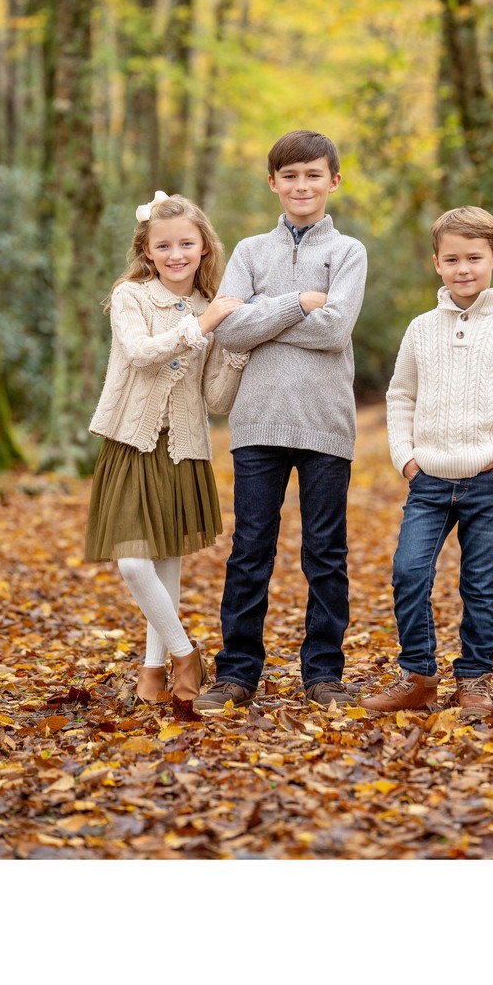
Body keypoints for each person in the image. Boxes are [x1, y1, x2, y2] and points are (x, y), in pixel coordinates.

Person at [193, 130, 368, 713]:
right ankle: (237, 672)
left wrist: (264, 312)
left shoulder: (348, 253)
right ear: (273, 182)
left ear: (333, 181)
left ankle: (323, 674)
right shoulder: (247, 251)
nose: (302, 185)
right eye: (290, 176)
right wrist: (301, 302)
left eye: (313, 175)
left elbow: (336, 330)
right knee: (250, 550)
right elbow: (229, 327)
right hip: (257, 424)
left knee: (325, 551)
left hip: (325, 424)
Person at [361, 205, 493, 717]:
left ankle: (474, 679)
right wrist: (405, 457)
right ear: (437, 264)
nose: (463, 268)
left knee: (480, 585)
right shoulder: (422, 328)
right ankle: (420, 677)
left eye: (474, 257)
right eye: (452, 259)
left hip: (490, 481)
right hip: (428, 480)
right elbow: (400, 395)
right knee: (408, 571)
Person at [84, 191, 248, 720]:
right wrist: (200, 328)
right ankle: (186, 654)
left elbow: (217, 400)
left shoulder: (214, 307)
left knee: (166, 561)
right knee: (134, 561)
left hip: (184, 448)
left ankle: (155, 670)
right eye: (164, 245)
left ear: (203, 247)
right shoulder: (132, 297)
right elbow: (140, 354)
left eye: (186, 243)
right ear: (148, 251)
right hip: (132, 441)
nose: (176, 253)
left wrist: (236, 351)